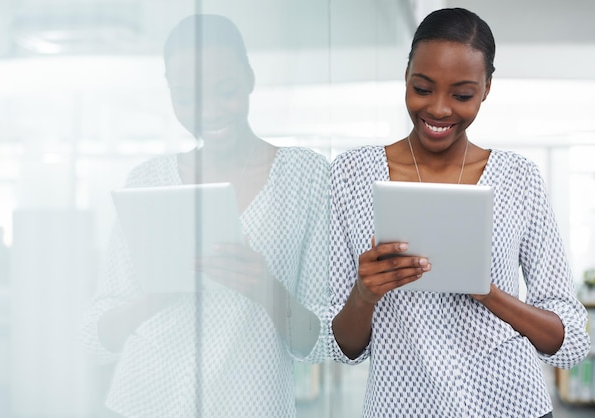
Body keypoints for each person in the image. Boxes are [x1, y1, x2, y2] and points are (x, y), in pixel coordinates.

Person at [328, 7, 590, 418]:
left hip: (511, 404)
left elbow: (570, 340)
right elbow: (343, 347)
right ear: (406, 75)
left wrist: (488, 292)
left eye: (462, 94)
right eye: (423, 87)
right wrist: (365, 294)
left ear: (486, 89)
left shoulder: (519, 179)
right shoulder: (350, 175)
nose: (439, 109)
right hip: (400, 407)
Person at [81, 14, 329, 417]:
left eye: (225, 90)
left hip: (253, 405)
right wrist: (157, 296)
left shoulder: (307, 178)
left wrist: (266, 288)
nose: (209, 111)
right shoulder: (147, 182)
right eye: (187, 97)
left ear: (249, 79)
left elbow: (320, 342)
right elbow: (95, 336)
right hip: (147, 401)